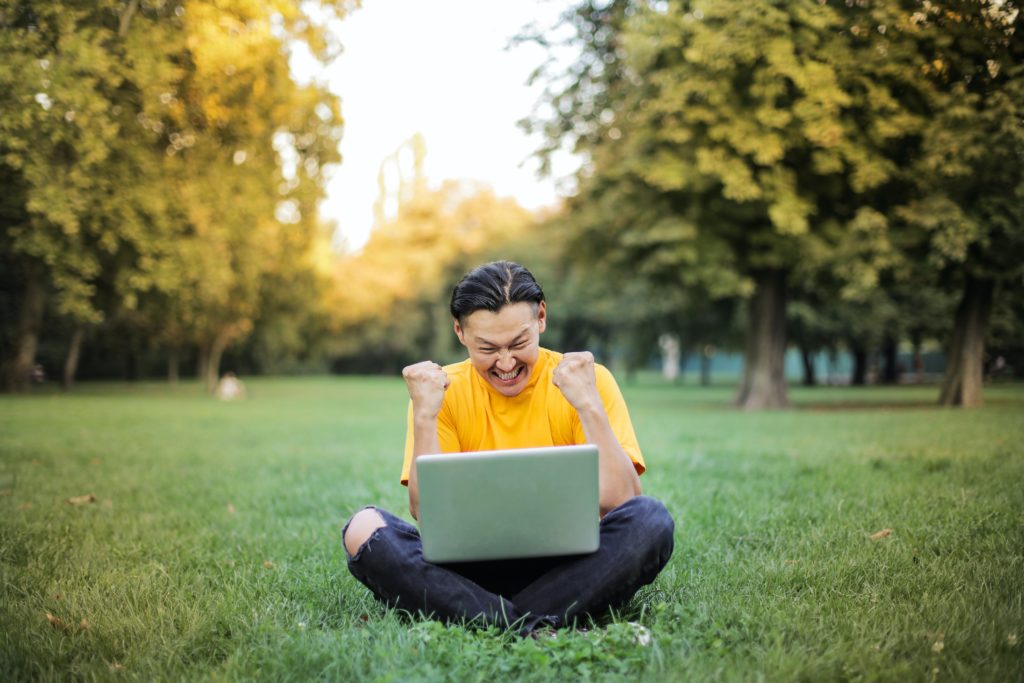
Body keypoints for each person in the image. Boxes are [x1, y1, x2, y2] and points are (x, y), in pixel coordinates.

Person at [341, 261, 674, 635]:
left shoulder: (585, 380)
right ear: (460, 331)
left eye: (519, 344)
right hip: (468, 569)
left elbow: (624, 502)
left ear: (541, 318)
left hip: (568, 567)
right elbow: (426, 512)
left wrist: (588, 404)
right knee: (362, 528)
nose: (505, 363)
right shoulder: (439, 391)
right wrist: (424, 415)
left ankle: (484, 618)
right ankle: (534, 624)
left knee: (651, 519)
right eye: (487, 348)